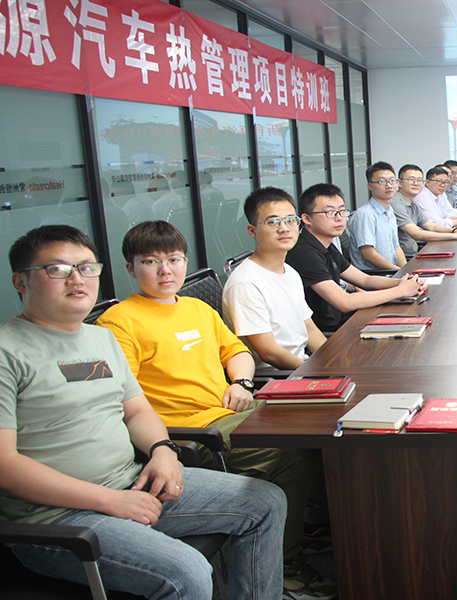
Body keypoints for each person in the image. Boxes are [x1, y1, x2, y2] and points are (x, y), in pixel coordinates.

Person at [0, 225, 286, 600]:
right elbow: (5, 465)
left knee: (264, 502)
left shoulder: (99, 338)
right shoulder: (8, 351)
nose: (77, 279)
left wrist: (163, 451)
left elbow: (136, 410)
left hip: (131, 482)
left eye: (86, 267)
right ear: (20, 282)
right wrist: (109, 501)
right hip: (57, 517)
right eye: (58, 269)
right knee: (187, 573)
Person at [95, 221, 334, 598]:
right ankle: (287, 556)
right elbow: (125, 402)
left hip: (232, 412)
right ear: (131, 268)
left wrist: (241, 382)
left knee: (315, 428)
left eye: (174, 260)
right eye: (151, 262)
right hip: (191, 434)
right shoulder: (119, 322)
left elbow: (237, 351)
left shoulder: (196, 309)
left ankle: (300, 541)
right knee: (292, 445)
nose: (165, 271)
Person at [286, 183, 426, 334]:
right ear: (307, 219)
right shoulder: (304, 253)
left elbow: (365, 280)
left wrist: (404, 282)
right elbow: (344, 302)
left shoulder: (326, 245)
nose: (339, 218)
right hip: (332, 332)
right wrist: (400, 290)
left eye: (342, 211)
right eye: (330, 212)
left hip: (346, 321)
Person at [222, 187, 326, 371]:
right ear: (252, 230)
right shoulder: (245, 283)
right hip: (277, 377)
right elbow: (269, 353)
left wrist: (334, 363)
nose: (284, 228)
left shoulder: (289, 272)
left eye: (290, 220)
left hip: (303, 365)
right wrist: (318, 373)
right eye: (273, 222)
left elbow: (310, 329)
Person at [393, 164, 457, 257]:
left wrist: (454, 230)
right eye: (411, 179)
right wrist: (454, 236)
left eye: (419, 180)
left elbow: (431, 226)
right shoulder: (396, 202)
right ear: (400, 182)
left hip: (414, 252)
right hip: (407, 256)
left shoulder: (412, 202)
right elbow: (416, 234)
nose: (416, 183)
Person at [347, 161, 408, 271]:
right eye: (382, 182)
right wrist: (398, 272)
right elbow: (368, 254)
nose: (389, 186)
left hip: (391, 272)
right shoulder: (365, 215)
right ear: (370, 186)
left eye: (392, 181)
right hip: (374, 275)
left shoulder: (390, 211)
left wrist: (406, 271)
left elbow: (396, 248)